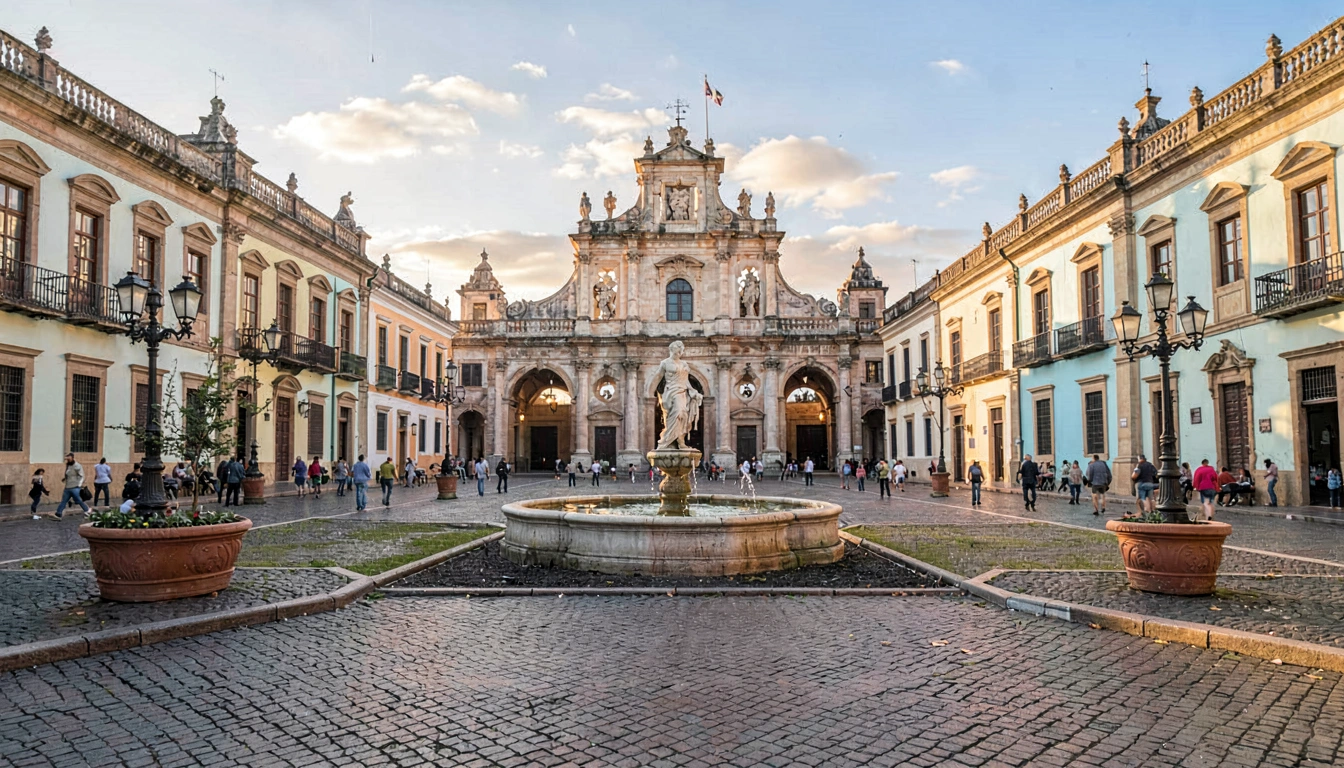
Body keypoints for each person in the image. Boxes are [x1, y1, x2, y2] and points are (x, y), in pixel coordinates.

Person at [55, 453, 89, 519]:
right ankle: (58, 513)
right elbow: (69, 474)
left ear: (73, 458)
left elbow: (82, 476)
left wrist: (79, 485)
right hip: (68, 486)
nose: (68, 461)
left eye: (69, 459)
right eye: (67, 459)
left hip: (75, 487)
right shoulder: (68, 466)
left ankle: (87, 510)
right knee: (64, 501)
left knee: (78, 500)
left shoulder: (77, 466)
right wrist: (65, 479)